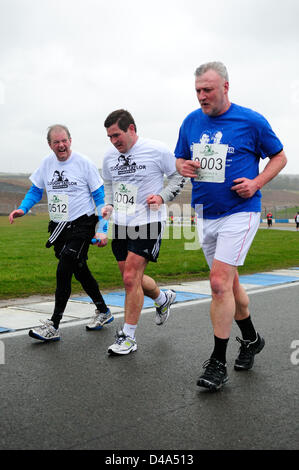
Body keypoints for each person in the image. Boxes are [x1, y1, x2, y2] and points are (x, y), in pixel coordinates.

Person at [175, 62, 287, 391]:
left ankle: (217, 363)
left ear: (225, 87)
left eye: (207, 89)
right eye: (197, 90)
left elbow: (279, 157)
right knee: (230, 285)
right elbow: (179, 159)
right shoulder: (191, 122)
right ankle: (251, 339)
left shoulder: (251, 120)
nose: (201, 96)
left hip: (241, 211)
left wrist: (255, 183)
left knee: (218, 284)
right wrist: (183, 165)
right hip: (205, 213)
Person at [9, 124, 113, 341]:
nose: (61, 145)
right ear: (50, 145)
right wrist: (23, 208)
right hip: (59, 227)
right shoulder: (46, 164)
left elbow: (101, 198)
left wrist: (102, 229)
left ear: (70, 140)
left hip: (83, 224)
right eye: (56, 142)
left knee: (65, 265)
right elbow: (36, 190)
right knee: (79, 269)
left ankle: (54, 324)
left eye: (64, 140)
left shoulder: (84, 163)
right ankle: (103, 311)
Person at [101, 109, 185, 355]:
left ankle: (128, 337)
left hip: (148, 221)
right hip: (121, 223)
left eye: (117, 135)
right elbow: (109, 184)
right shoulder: (109, 157)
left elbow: (179, 175)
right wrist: (108, 204)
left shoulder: (157, 150)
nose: (114, 141)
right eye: (110, 137)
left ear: (132, 129)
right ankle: (162, 299)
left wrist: (162, 196)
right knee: (130, 279)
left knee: (130, 278)